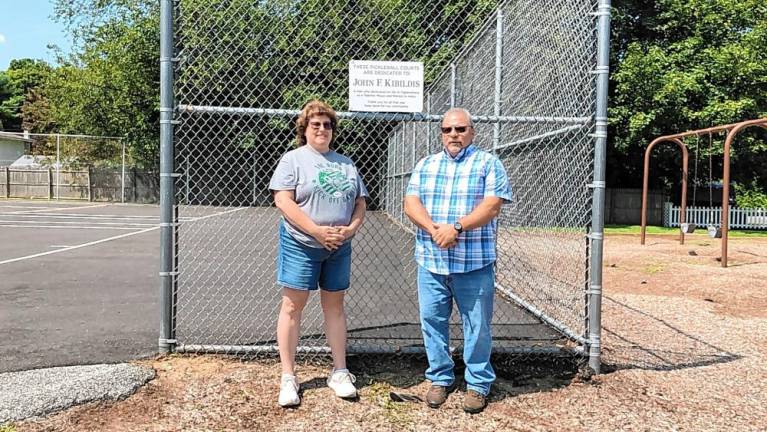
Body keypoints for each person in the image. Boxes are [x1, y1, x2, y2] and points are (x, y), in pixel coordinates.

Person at [404, 107, 511, 414]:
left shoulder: (488, 163)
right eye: (448, 130)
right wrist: (434, 229)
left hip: (473, 263)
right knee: (433, 322)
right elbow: (411, 203)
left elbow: (492, 206)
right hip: (431, 262)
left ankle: (477, 384)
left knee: (477, 325)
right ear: (441, 133)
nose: (454, 135)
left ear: (472, 132)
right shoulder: (426, 164)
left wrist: (456, 227)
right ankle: (440, 378)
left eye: (460, 129)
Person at [269, 100, 368, 407]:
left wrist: (349, 230)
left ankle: (339, 371)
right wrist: (315, 230)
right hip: (302, 243)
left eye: (327, 125)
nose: (322, 129)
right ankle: (288, 377)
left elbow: (360, 202)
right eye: (316, 124)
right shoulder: (293, 160)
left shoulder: (346, 163)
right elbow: (283, 201)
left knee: (335, 306)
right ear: (305, 129)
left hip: (338, 247)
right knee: (292, 306)